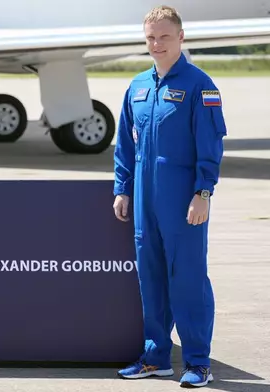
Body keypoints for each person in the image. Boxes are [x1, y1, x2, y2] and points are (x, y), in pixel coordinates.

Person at [112, 5, 226, 389]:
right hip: (144, 199)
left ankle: (197, 362)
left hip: (182, 199)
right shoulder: (138, 86)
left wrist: (203, 192)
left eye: (164, 36)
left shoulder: (200, 85)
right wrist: (122, 188)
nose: (156, 44)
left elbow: (209, 145)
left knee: (189, 278)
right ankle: (156, 356)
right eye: (150, 38)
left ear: (181, 37)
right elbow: (125, 146)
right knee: (152, 278)